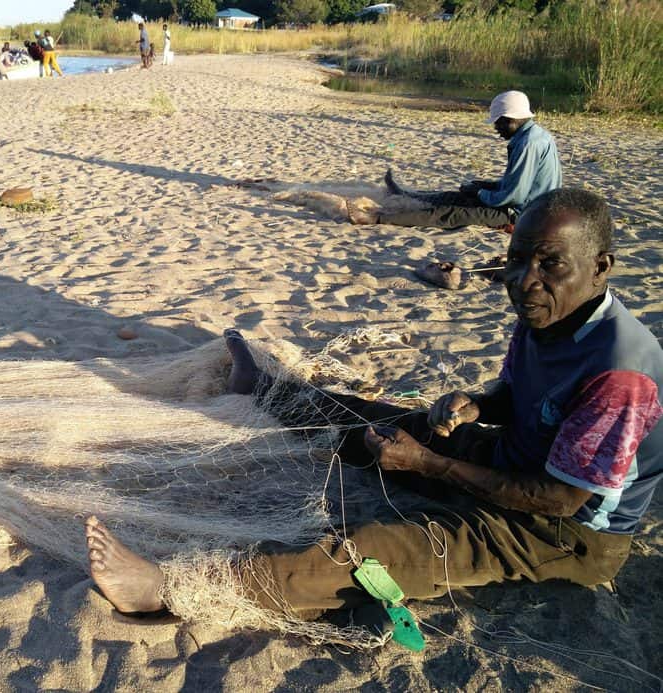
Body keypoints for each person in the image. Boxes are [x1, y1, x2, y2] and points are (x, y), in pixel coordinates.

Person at [84, 188, 662, 637]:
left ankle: (163, 589)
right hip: (514, 460)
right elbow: (517, 394)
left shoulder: (620, 373)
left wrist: (430, 465)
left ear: (600, 267)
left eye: (550, 264)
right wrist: (478, 404)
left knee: (374, 552)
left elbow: (560, 499)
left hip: (561, 533)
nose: (524, 280)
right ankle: (267, 391)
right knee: (386, 427)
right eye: (517, 261)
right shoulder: (547, 310)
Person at [347, 91, 563, 232]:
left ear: (511, 119)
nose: (496, 128)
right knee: (455, 195)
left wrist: (480, 194)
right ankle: (406, 195)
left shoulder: (527, 144)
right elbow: (520, 184)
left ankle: (375, 218)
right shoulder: (535, 135)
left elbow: (513, 196)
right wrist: (484, 187)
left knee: (450, 214)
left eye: (498, 123)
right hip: (530, 204)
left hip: (522, 213)